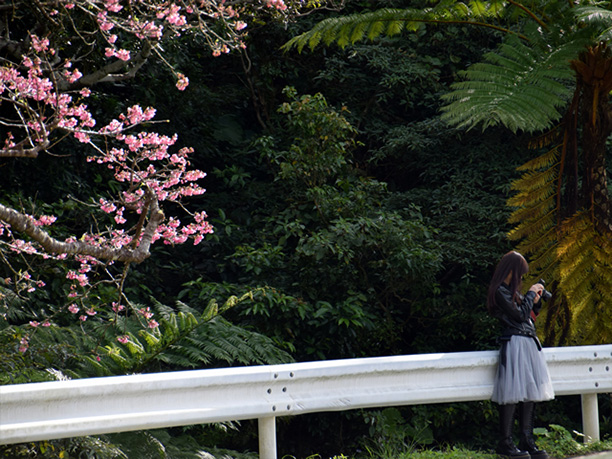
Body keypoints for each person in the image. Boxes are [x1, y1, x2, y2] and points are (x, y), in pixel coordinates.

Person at [487, 251, 555, 459]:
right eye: (520, 274)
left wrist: (535, 300)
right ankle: (505, 443)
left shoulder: (513, 292)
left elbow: (528, 317)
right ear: (512, 271)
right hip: (514, 342)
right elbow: (518, 315)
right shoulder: (500, 291)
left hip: (528, 342)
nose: (522, 279)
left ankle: (526, 439)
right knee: (512, 392)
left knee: (529, 391)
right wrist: (529, 296)